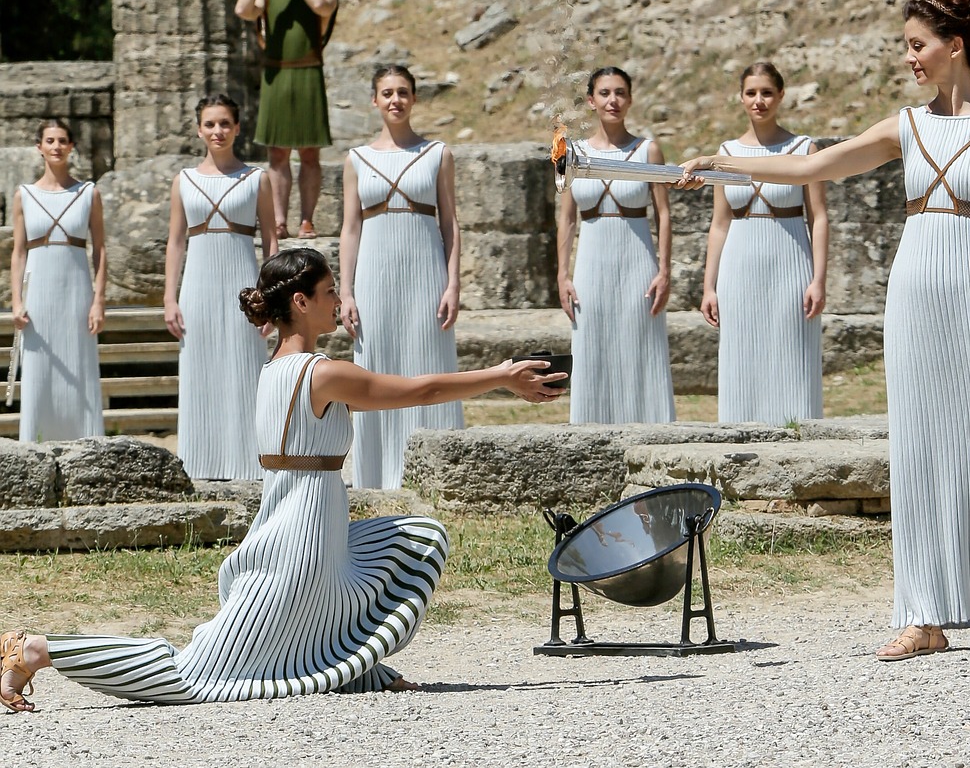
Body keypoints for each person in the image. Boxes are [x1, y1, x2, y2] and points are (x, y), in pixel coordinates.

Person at [679, 0, 970, 657]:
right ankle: (926, 614)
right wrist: (720, 163)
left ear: (955, 46)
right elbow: (813, 169)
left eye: (918, 46)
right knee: (919, 451)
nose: (909, 58)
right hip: (916, 295)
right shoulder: (906, 125)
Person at [0, 248, 562, 712]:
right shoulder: (324, 373)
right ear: (301, 301)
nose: (338, 301)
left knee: (406, 541)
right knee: (193, 675)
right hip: (300, 540)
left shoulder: (276, 371)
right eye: (329, 292)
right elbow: (419, 392)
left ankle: (346, 666)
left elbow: (397, 397)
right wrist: (501, 376)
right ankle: (35, 650)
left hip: (303, 527)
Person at [339, 65, 463, 489]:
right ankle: (377, 473)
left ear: (414, 98)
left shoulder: (438, 154)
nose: (395, 100)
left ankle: (439, 469)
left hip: (425, 272)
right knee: (376, 365)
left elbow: (450, 224)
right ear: (375, 100)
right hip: (374, 276)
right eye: (387, 93)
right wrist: (346, 291)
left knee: (429, 359)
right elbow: (350, 228)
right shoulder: (356, 159)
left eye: (403, 92)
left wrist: (452, 283)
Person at [701, 62, 827, 424]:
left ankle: (799, 440)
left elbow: (818, 217)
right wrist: (709, 286)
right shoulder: (724, 152)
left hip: (790, 263)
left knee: (792, 353)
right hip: (739, 268)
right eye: (752, 93)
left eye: (767, 92)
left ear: (781, 95)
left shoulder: (804, 147)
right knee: (742, 356)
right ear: (741, 98)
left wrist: (818, 279)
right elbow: (720, 224)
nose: (759, 101)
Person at [164, 95, 278, 480]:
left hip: (244, 285)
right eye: (210, 124)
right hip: (197, 287)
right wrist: (169, 296)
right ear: (199, 130)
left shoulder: (256, 179)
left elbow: (271, 243)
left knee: (246, 368)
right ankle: (198, 463)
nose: (218, 131)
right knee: (200, 368)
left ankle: (249, 463)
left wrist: (271, 299)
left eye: (225, 123)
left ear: (238, 128)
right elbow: (176, 241)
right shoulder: (185, 180)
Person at [556, 67, 676, 424]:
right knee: (593, 345)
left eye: (620, 93)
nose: (613, 101)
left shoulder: (648, 150)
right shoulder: (569, 152)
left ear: (630, 99)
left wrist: (665, 270)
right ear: (591, 101)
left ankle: (650, 432)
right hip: (591, 266)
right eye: (605, 93)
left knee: (641, 346)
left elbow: (664, 214)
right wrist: (562, 275)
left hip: (638, 263)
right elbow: (566, 218)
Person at [234, 0, 338, 240]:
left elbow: (318, 5)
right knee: (277, 155)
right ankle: (279, 220)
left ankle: (307, 220)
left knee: (309, 154)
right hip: (276, 77)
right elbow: (242, 9)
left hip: (308, 74)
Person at [9, 119, 106, 441]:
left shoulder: (88, 193)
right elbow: (19, 252)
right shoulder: (23, 195)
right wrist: (17, 301)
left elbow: (100, 250)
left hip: (77, 293)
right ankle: (37, 442)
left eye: (62, 140)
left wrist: (98, 301)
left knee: (80, 368)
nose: (56, 146)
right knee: (38, 372)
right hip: (38, 296)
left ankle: (86, 444)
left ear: (71, 146)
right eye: (50, 141)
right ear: (39, 147)